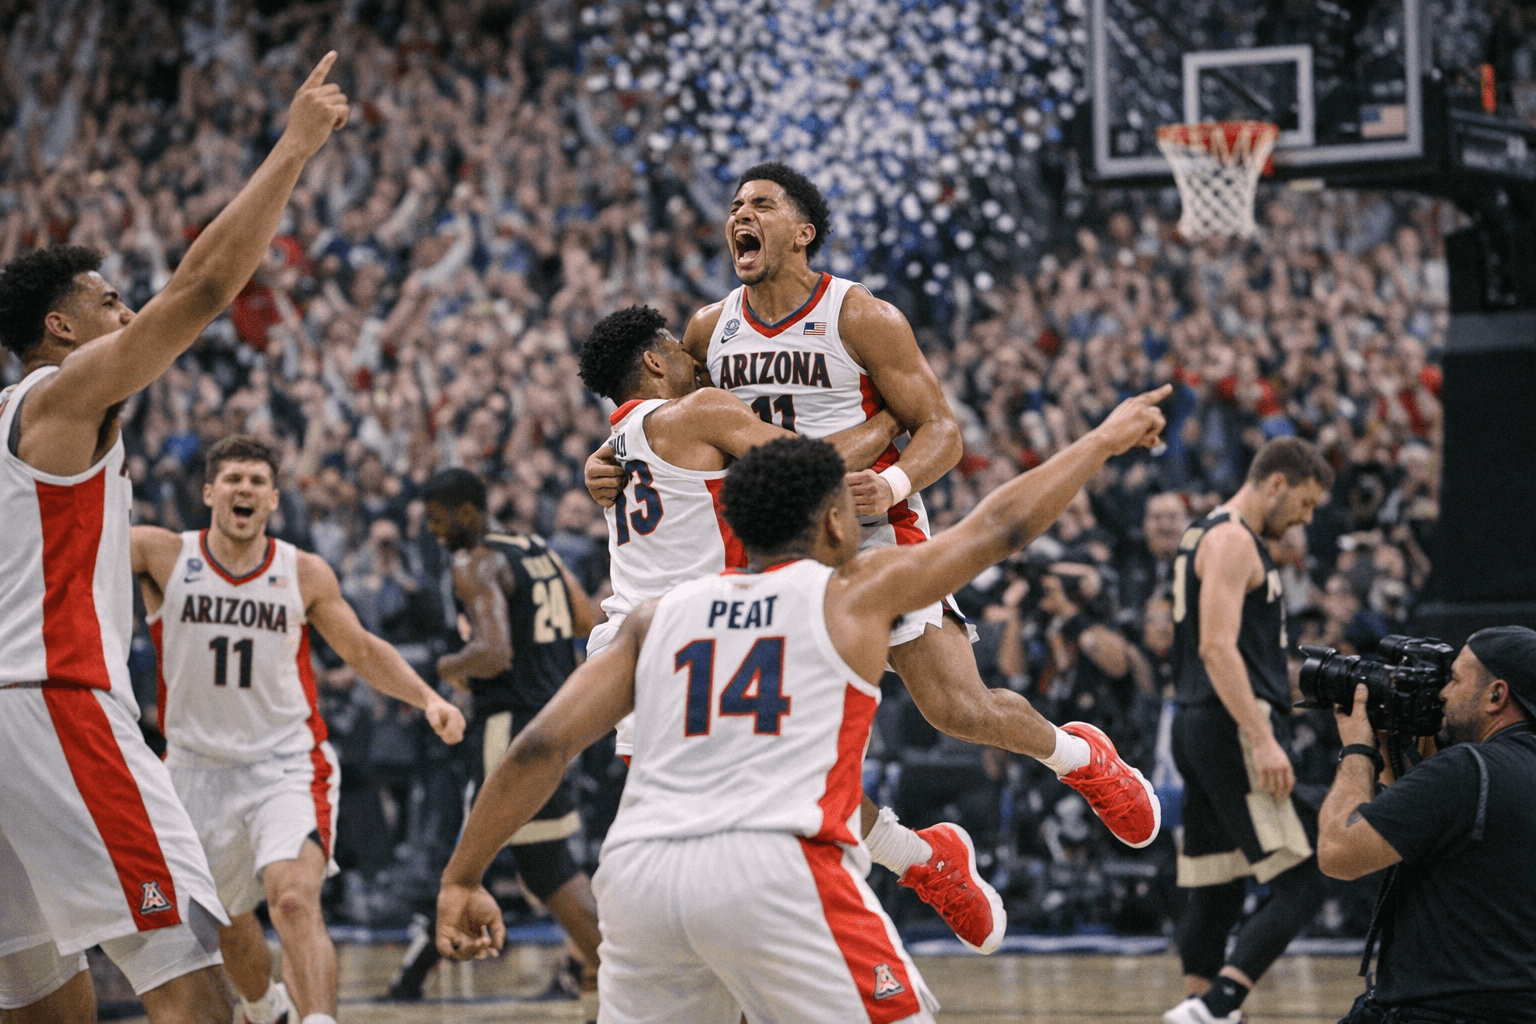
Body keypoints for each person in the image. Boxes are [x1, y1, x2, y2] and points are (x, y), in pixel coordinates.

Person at [438, 388, 1168, 1024]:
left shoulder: (653, 618)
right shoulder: (851, 593)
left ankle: (940, 845)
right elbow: (998, 529)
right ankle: (931, 852)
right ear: (833, 524)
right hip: (775, 868)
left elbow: (539, 748)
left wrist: (462, 878)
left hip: (637, 879)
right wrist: (1102, 439)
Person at [588, 162, 1161, 851]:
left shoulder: (861, 315)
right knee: (776, 747)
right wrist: (607, 458)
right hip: (774, 544)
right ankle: (914, 860)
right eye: (736, 205)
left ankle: (1079, 759)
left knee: (955, 708)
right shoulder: (709, 329)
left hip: (867, 526)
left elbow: (944, 431)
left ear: (802, 233)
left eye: (761, 205)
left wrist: (891, 487)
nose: (740, 215)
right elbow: (671, 422)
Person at [0, 53, 347, 1024]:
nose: (125, 312)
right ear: (61, 327)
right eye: (109, 302)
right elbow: (197, 294)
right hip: (57, 705)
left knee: (41, 1001)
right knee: (190, 972)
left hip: (6, 730)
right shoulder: (62, 397)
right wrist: (294, 146)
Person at [576, 304, 1007, 955]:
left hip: (643, 639)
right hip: (703, 636)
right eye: (680, 351)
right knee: (770, 800)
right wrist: (889, 419)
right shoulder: (698, 410)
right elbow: (810, 467)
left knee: (761, 796)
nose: (698, 359)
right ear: (656, 361)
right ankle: (909, 878)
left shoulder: (617, 444)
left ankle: (917, 866)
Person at [130, 434, 465, 1024]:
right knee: (229, 925)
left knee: (291, 897)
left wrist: (427, 698)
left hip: (284, 762)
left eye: (257, 482)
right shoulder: (162, 554)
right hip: (193, 771)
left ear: (274, 500)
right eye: (233, 479)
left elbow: (360, 649)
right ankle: (268, 1010)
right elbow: (75, 536)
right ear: (209, 492)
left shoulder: (301, 572)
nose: (245, 489)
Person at [388, 468, 604, 1007]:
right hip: (558, 717)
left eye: (438, 522)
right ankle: (613, 966)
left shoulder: (474, 561)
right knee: (544, 861)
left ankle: (619, 965)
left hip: (510, 724)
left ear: (466, 512)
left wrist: (446, 665)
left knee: (507, 857)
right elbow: (585, 619)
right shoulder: (537, 547)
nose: (435, 534)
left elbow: (494, 652)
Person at [1164, 437, 1336, 1024]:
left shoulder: (1200, 532)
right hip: (1232, 722)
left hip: (1194, 721)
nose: (1304, 520)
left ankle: (1200, 1007)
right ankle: (1217, 1007)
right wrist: (1262, 737)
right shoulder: (1236, 539)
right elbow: (1217, 647)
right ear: (1277, 483)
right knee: (1306, 877)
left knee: (1217, 883)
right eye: (1306, 504)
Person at [1318, 626, 1536, 1024]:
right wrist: (1391, 754)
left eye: (1453, 679)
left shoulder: (1468, 771)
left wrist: (1357, 751)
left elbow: (1338, 851)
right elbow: (1431, 824)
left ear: (1496, 695)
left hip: (1440, 1012)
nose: (1441, 694)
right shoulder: (1495, 773)